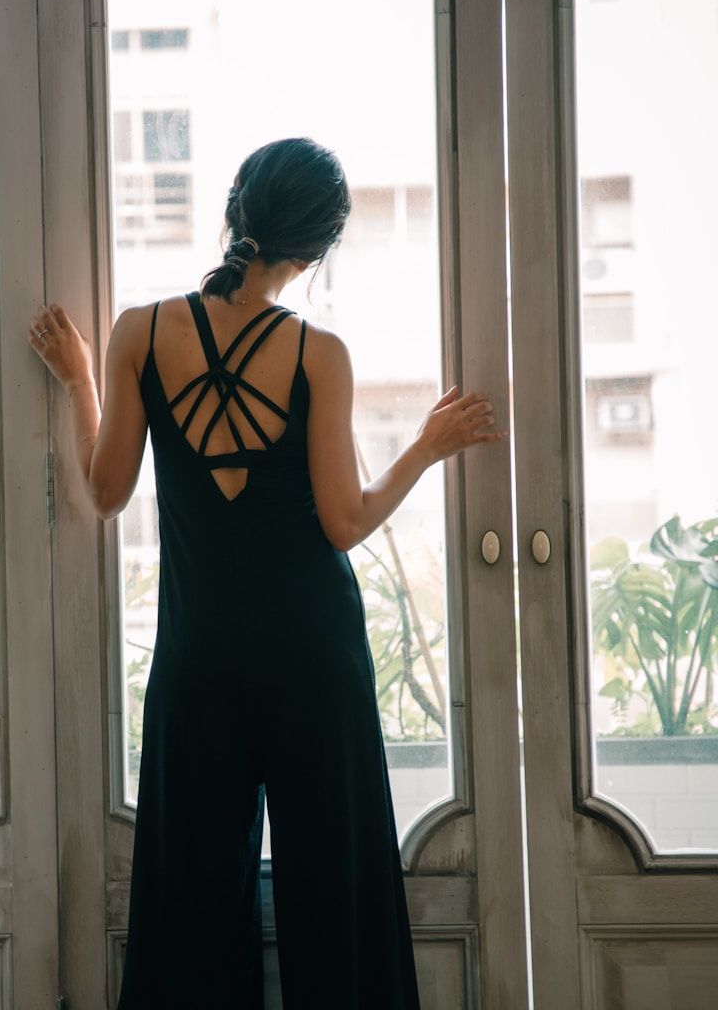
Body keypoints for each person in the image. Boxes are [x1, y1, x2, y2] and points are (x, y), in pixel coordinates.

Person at [28, 138, 505, 1008]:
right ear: (317, 250)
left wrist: (81, 379)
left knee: (190, 914)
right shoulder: (319, 354)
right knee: (337, 896)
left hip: (197, 664)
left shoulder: (139, 331)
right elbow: (345, 521)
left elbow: (103, 491)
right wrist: (428, 450)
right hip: (313, 661)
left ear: (233, 210)